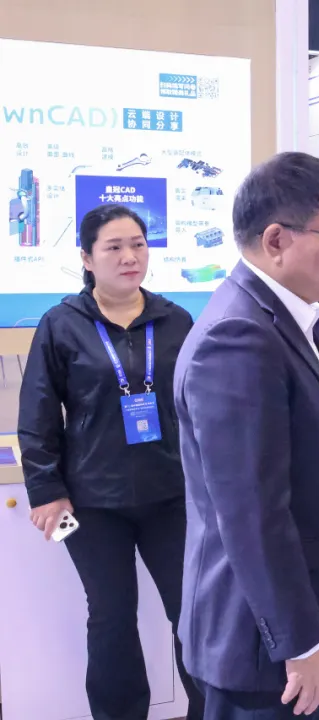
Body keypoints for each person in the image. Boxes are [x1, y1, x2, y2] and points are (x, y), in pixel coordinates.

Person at [174, 152, 319, 719]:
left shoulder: (282, 316)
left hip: (281, 625)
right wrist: (301, 641)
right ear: (276, 240)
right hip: (261, 642)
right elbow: (252, 512)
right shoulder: (239, 336)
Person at [18, 203, 204, 720]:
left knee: (193, 611)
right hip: (92, 502)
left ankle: (212, 710)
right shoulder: (61, 325)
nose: (129, 257)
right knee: (111, 616)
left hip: (171, 495)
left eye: (138, 245)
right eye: (114, 247)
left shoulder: (175, 320)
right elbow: (37, 415)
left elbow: (198, 406)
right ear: (87, 258)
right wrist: (46, 491)